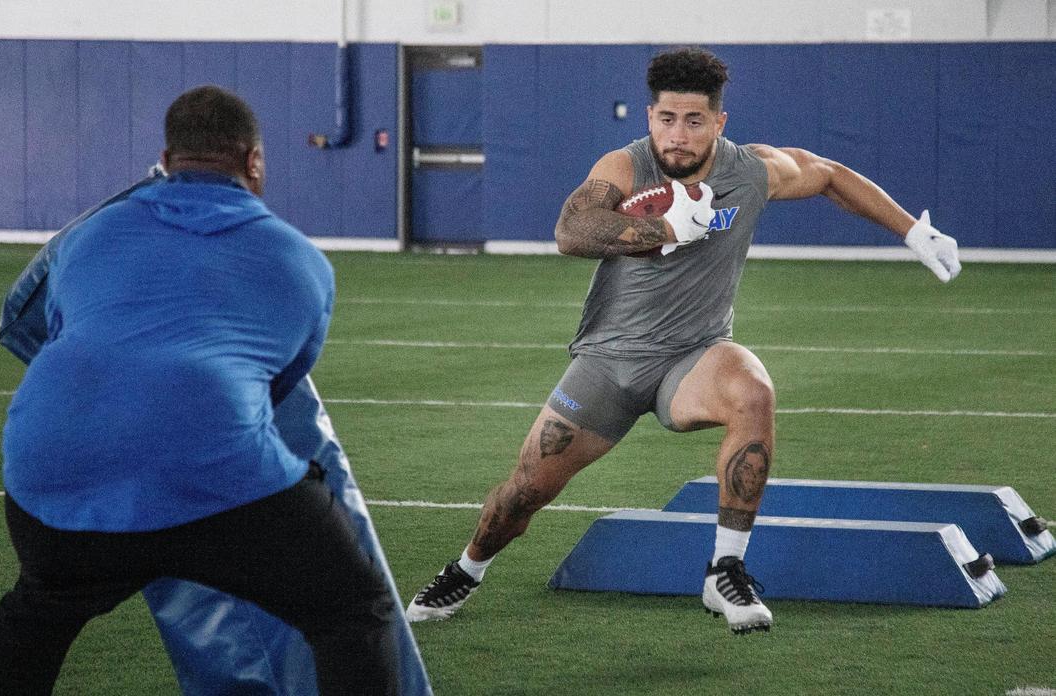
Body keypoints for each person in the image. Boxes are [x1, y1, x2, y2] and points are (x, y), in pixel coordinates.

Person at [405, 47, 961, 634]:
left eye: (694, 121)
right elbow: (571, 231)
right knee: (522, 495)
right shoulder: (625, 166)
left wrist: (912, 230)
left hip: (695, 359)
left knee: (753, 391)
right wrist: (662, 228)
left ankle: (725, 570)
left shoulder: (749, 171)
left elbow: (827, 175)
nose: (677, 135)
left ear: (718, 124)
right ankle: (467, 568)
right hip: (609, 364)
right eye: (667, 119)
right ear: (649, 117)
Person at [0, 85, 400, 694]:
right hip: (215, 474)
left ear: (167, 160)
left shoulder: (88, 236)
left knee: (38, 611)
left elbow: (60, 332)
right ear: (253, 162)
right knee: (352, 609)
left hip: (50, 469)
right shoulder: (300, 259)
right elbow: (276, 390)